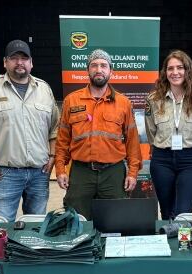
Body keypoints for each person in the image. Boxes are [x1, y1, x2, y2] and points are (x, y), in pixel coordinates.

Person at [0, 40, 60, 222]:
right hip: (5, 174)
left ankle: (31, 252)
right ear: (5, 62)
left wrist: (52, 157)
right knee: (2, 228)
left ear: (31, 63)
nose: (20, 62)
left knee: (36, 227)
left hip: (39, 172)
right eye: (14, 58)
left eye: (24, 58)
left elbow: (55, 129)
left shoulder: (44, 89)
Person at [55, 49, 141, 220]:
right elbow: (62, 139)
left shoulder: (123, 103)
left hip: (113, 172)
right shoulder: (72, 100)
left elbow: (132, 142)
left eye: (103, 65)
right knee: (76, 220)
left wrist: (132, 172)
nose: (99, 69)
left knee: (116, 220)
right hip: (81, 172)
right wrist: (60, 169)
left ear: (111, 71)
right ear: (88, 70)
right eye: (94, 65)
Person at [144, 50, 192, 220]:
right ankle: (168, 246)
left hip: (190, 159)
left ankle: (182, 246)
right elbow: (151, 131)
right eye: (170, 68)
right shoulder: (153, 99)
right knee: (166, 213)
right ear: (165, 73)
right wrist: (161, 146)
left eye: (180, 67)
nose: (175, 72)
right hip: (162, 160)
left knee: (183, 215)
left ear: (188, 70)